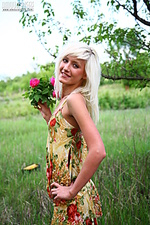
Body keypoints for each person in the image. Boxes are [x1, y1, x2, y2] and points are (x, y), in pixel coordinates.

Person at [38, 42, 106, 224]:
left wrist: (70, 191)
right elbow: (66, 137)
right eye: (65, 60)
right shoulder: (65, 100)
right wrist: (49, 118)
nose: (66, 67)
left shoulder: (75, 99)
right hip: (66, 198)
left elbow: (98, 150)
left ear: (85, 74)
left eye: (75, 65)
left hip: (72, 198)